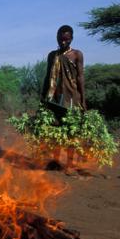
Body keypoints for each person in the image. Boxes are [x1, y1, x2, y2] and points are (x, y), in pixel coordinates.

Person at [41, 25, 86, 173]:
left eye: (66, 39)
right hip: (55, 98)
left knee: (70, 132)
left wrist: (83, 101)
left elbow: (80, 77)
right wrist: (43, 97)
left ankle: (70, 164)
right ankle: (55, 161)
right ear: (57, 38)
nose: (63, 42)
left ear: (71, 39)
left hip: (72, 98)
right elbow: (48, 76)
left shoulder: (77, 54)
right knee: (55, 130)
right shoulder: (52, 55)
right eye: (60, 39)